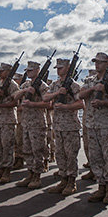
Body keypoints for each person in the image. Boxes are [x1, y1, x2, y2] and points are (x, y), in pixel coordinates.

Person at [79, 53, 108, 204]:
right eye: (96, 62)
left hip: (106, 126)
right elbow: (80, 95)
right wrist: (93, 90)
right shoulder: (89, 80)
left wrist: (104, 99)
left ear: (107, 64)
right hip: (92, 125)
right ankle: (101, 187)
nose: (97, 65)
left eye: (101, 62)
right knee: (95, 157)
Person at [43, 58, 84, 196]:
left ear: (68, 68)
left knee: (70, 155)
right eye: (57, 67)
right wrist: (57, 93)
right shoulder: (55, 84)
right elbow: (45, 98)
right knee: (60, 154)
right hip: (58, 125)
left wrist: (66, 106)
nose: (58, 70)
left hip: (70, 126)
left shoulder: (74, 85)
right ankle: (63, 180)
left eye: (61, 67)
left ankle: (71, 182)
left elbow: (81, 104)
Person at [14, 61, 50, 189]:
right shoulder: (26, 84)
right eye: (27, 71)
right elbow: (15, 97)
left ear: (37, 71)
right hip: (26, 122)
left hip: (37, 123)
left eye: (30, 70)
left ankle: (37, 177)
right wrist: (24, 90)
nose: (28, 73)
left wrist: (33, 104)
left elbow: (48, 104)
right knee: (27, 150)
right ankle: (29, 173)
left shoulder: (43, 86)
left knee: (37, 151)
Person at [0, 63, 21, 183]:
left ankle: (7, 171)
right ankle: (0, 169)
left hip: (7, 120)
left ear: (8, 71)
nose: (0, 73)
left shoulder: (12, 85)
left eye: (2, 71)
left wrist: (1, 104)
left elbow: (16, 102)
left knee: (7, 146)